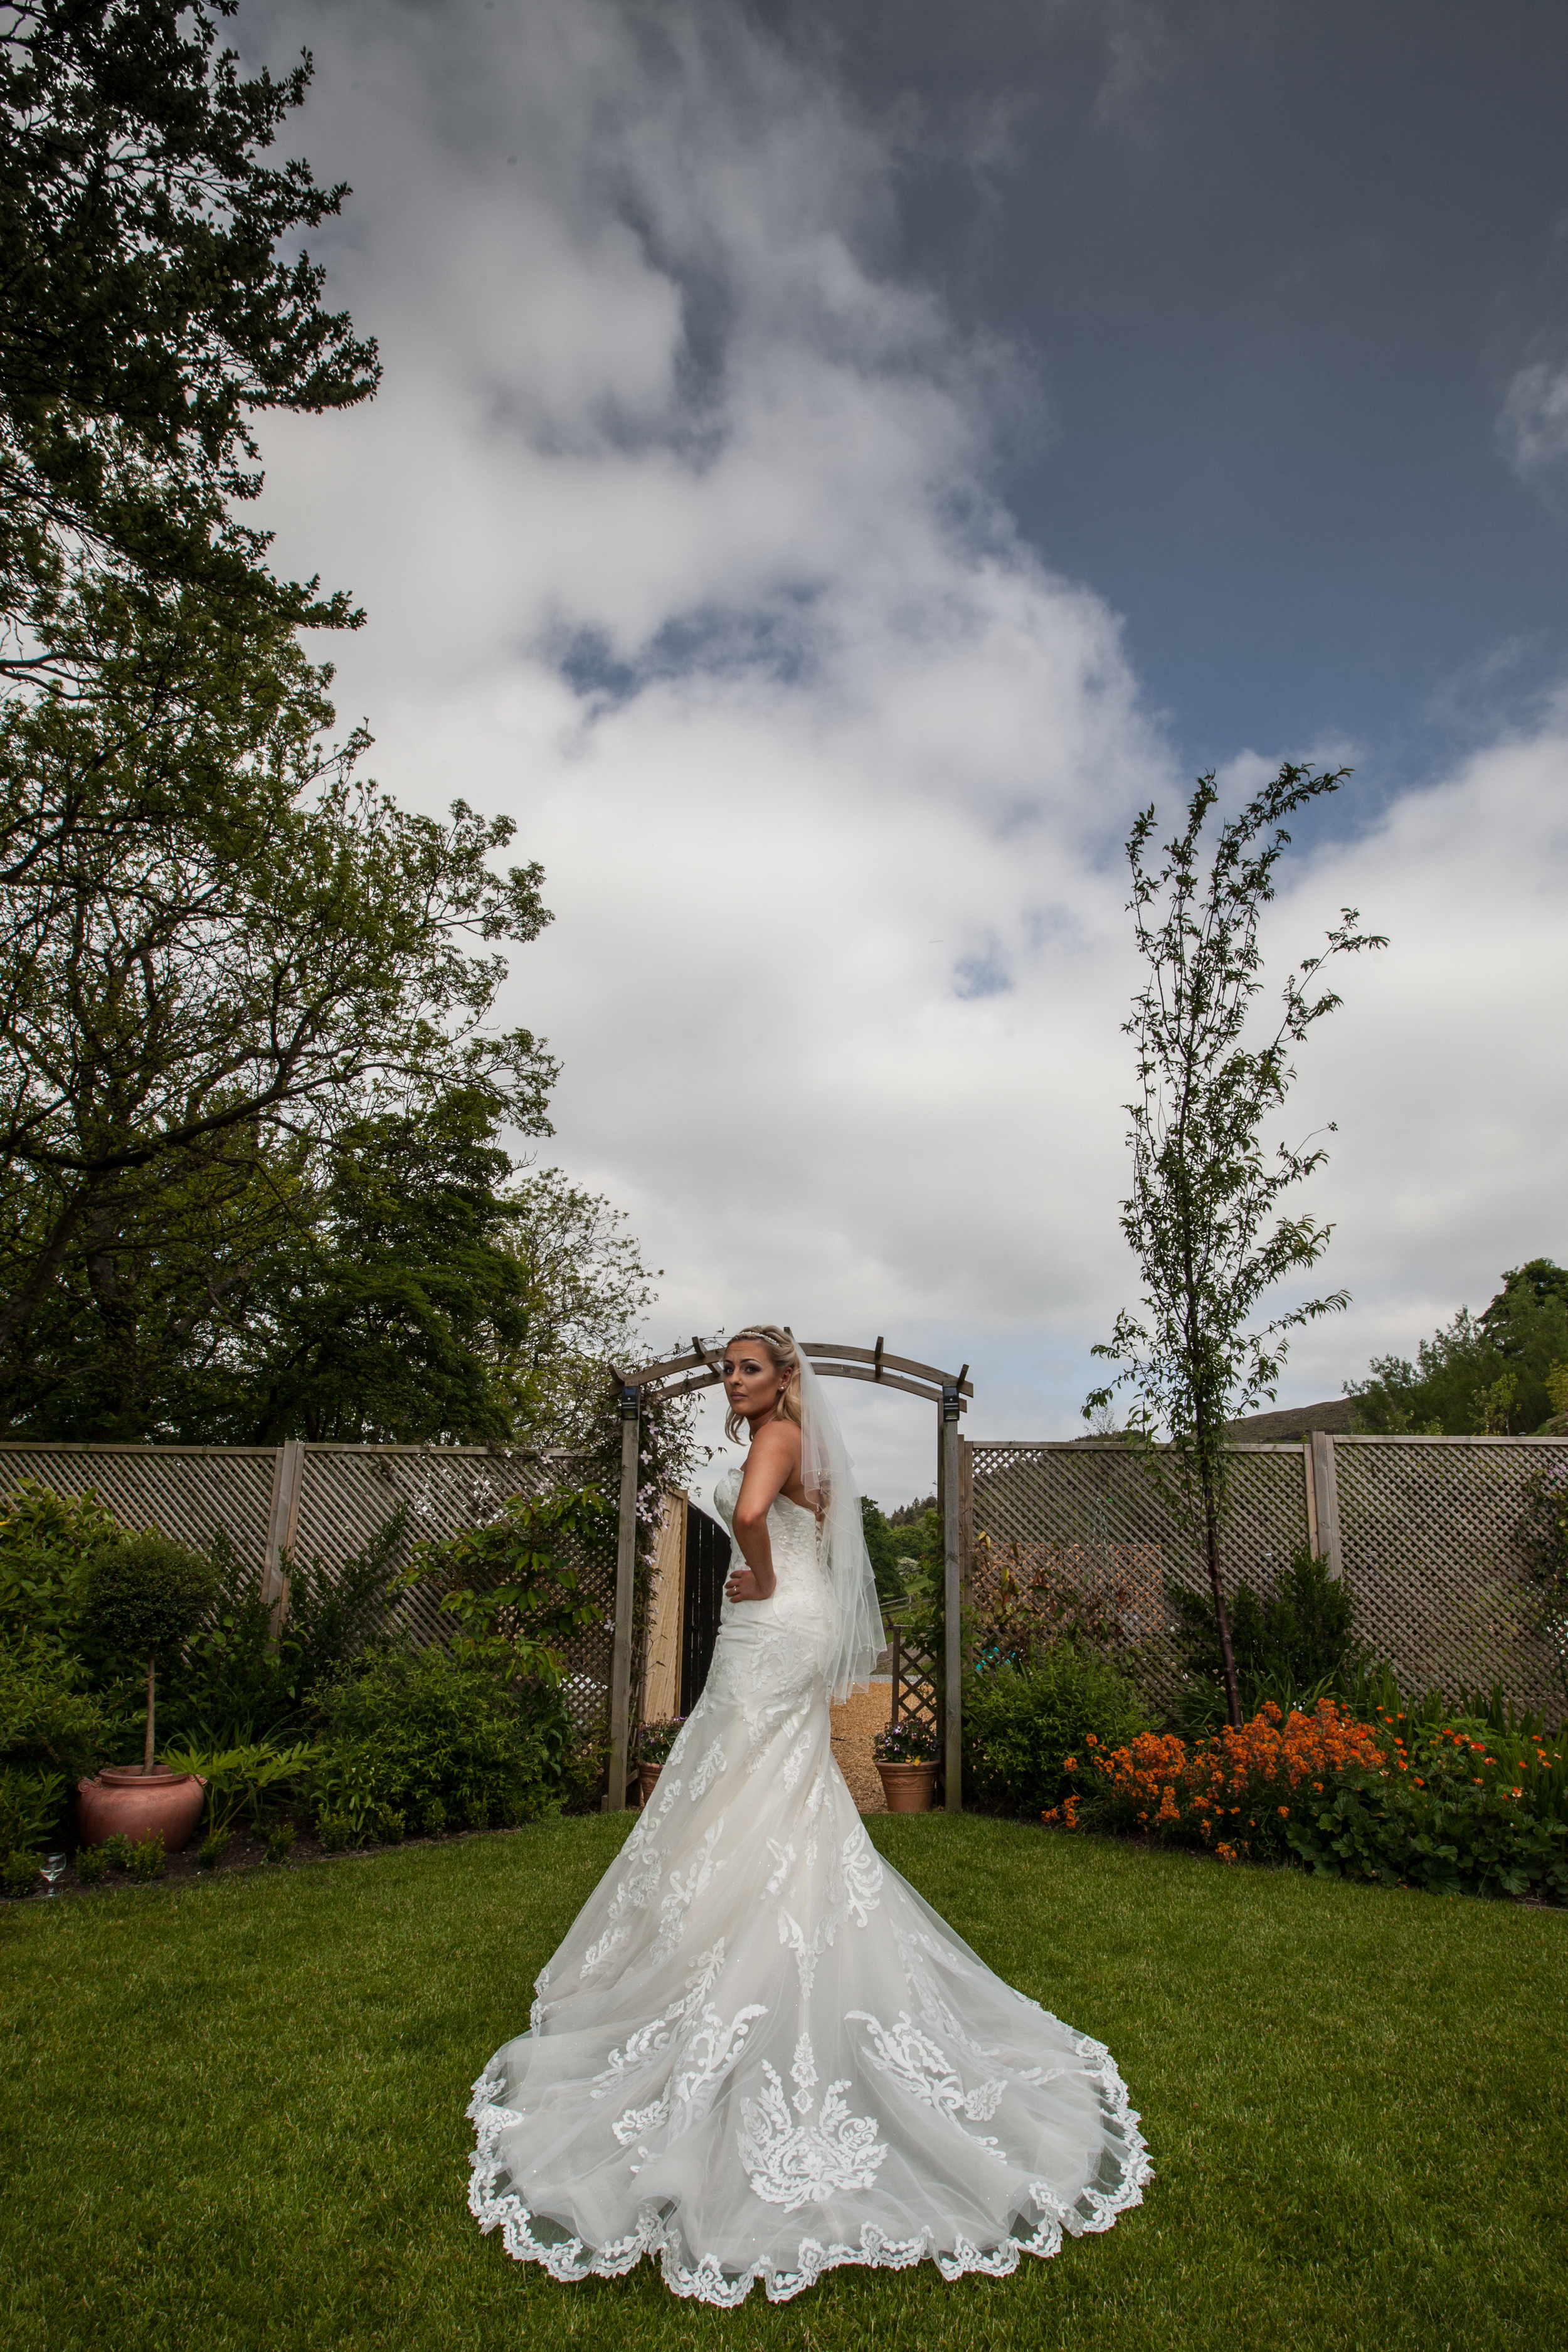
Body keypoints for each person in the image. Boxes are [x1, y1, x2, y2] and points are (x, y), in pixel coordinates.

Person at [468, 1324, 1150, 2305]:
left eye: (748, 1368)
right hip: (790, 1620)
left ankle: (735, 1950)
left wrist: (769, 1576)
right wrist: (779, 1570)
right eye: (729, 1370)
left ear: (785, 1378)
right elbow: (794, 1514)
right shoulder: (802, 1448)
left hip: (774, 1620)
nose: (734, 1382)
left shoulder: (778, 1438)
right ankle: (751, 1933)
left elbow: (753, 1513)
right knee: (773, 1782)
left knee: (742, 1773)